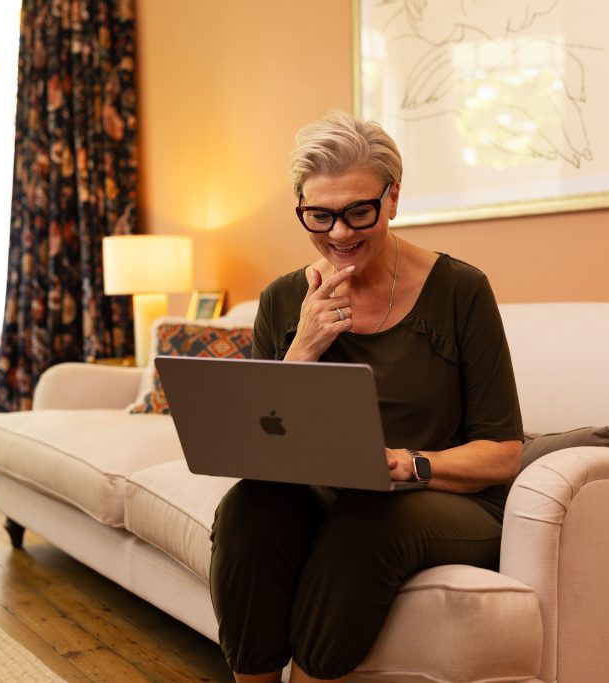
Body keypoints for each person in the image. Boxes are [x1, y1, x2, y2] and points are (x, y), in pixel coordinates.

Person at [209, 110, 524, 683]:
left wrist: (408, 465)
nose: (338, 233)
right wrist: (302, 347)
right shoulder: (284, 299)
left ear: (393, 198)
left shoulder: (460, 291)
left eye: (359, 211)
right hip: (327, 494)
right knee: (245, 512)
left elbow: (503, 451)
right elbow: (252, 450)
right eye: (319, 215)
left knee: (368, 520)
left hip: (441, 498)